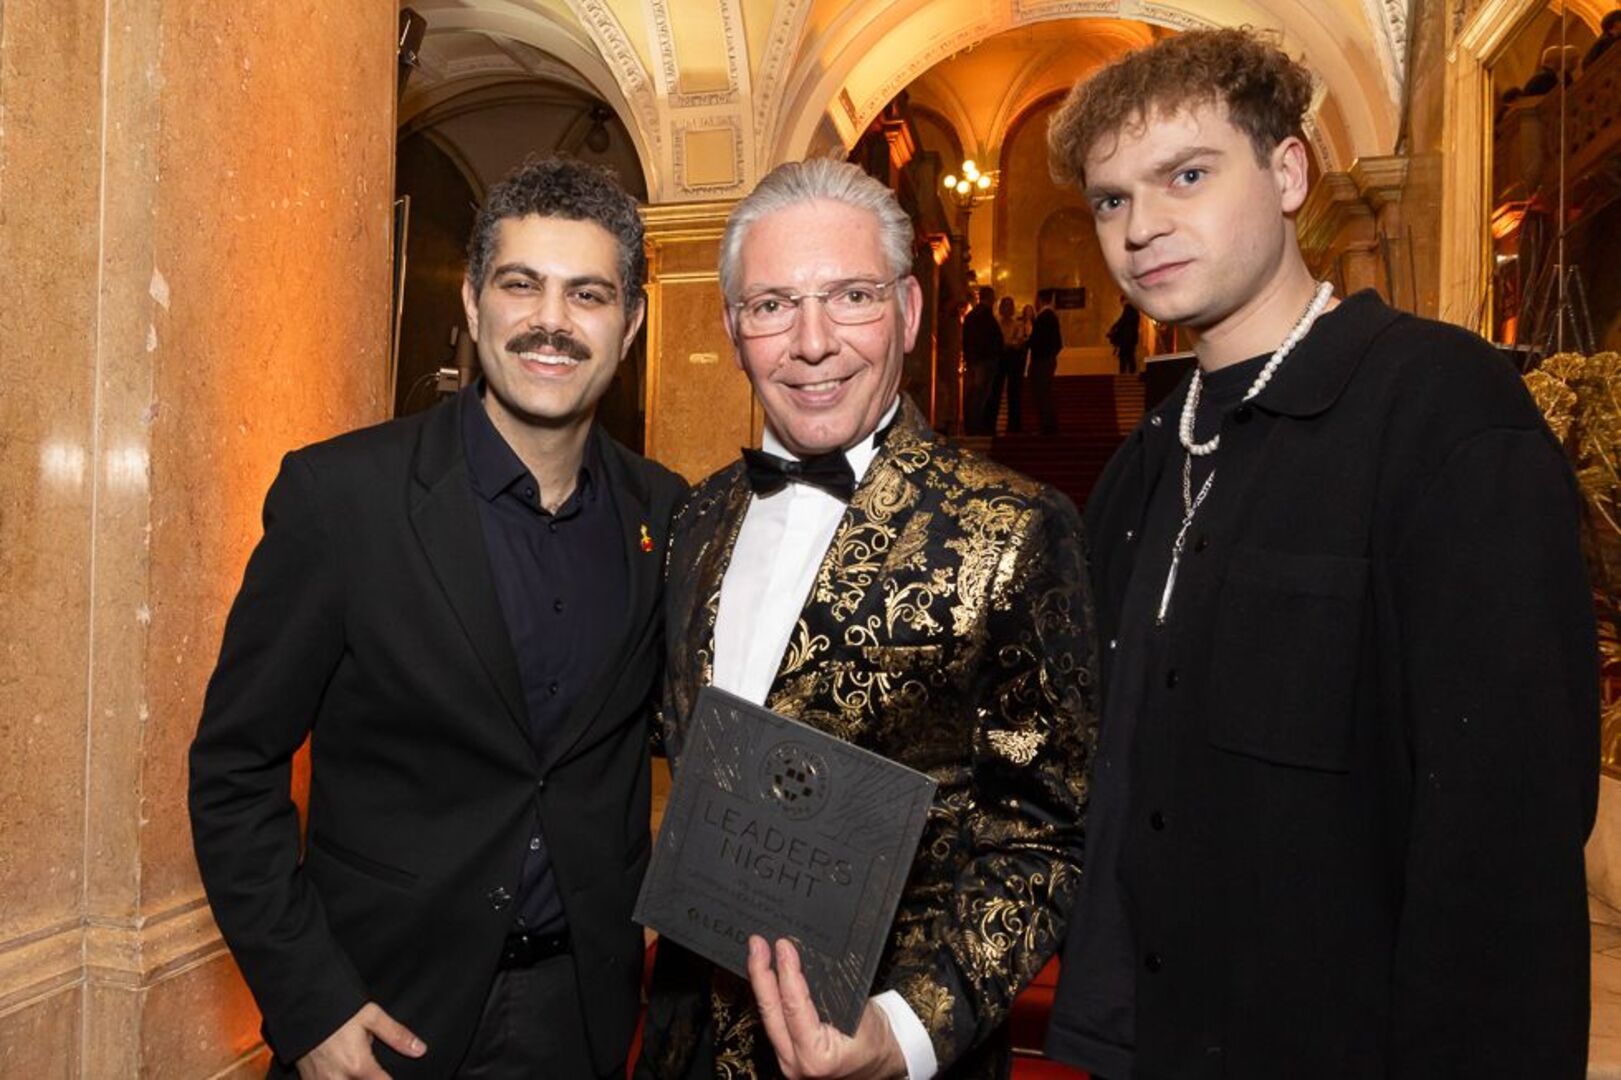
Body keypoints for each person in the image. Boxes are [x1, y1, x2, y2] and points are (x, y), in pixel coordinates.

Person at [1043, 28, 1596, 1078]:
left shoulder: (1440, 409)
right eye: (1111, 199)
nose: (1140, 227)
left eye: (1186, 176)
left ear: (1288, 172)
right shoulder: (1143, 465)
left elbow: (1506, 834)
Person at [188, 157, 687, 1079]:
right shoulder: (342, 498)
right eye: (520, 284)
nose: (550, 321)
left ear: (630, 323)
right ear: (471, 300)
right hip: (378, 1012)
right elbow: (234, 770)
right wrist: (309, 1002)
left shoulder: (666, 512)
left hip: (579, 1014)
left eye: (587, 294)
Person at [636, 157, 1098, 1080]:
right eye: (772, 305)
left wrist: (904, 1031)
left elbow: (1046, 836)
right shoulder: (696, 517)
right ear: (732, 329)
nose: (812, 343)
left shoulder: (1013, 529)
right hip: (688, 1044)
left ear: (909, 312)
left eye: (850, 296)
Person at [981, 295, 1031, 433]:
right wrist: (1008, 344)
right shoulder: (996, 323)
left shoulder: (1017, 324)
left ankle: (1014, 426)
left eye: (1010, 305)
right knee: (995, 391)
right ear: (1001, 308)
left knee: (1014, 392)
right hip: (999, 358)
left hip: (1013, 358)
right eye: (1005, 305)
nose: (1008, 308)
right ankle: (990, 425)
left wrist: (1007, 344)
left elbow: (1019, 342)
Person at [961, 285, 1004, 434]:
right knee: (980, 393)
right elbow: (990, 339)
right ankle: (975, 425)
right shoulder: (984, 316)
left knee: (976, 392)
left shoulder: (972, 316)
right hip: (984, 359)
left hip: (976, 359)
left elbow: (967, 340)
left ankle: (972, 424)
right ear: (990, 298)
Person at [1027, 290, 1063, 435]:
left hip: (1041, 360)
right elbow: (1058, 343)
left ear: (1040, 299)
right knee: (1044, 393)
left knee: (1041, 393)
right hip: (1047, 359)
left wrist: (1026, 343)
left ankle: (1047, 426)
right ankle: (1048, 426)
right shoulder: (1051, 316)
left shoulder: (1044, 317)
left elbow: (1037, 340)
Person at [1105, 298, 1140, 375]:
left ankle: (1123, 373)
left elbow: (1122, 321)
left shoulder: (1128, 308)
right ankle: (1131, 372)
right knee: (1130, 356)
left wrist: (1113, 328)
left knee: (1124, 356)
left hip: (1126, 338)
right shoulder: (1135, 310)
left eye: (1122, 302)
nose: (1122, 305)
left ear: (1124, 301)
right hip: (1132, 338)